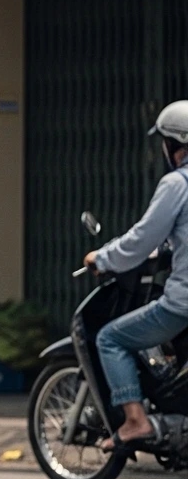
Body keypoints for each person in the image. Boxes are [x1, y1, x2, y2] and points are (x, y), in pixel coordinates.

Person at [84, 100, 188, 453]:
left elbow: (142, 239)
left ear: (173, 145)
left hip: (183, 304)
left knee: (110, 338)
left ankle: (135, 420)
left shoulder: (177, 184)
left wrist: (103, 257)